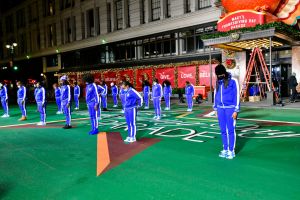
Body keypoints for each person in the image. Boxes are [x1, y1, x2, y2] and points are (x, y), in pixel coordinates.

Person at [213, 64, 240, 160]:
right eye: (218, 75)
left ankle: (231, 150)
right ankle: (225, 148)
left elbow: (237, 95)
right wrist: (215, 108)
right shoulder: (218, 81)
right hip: (220, 109)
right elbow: (216, 94)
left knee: (230, 130)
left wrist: (236, 110)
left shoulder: (233, 81)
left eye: (221, 75)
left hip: (230, 109)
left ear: (224, 73)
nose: (220, 77)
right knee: (223, 130)